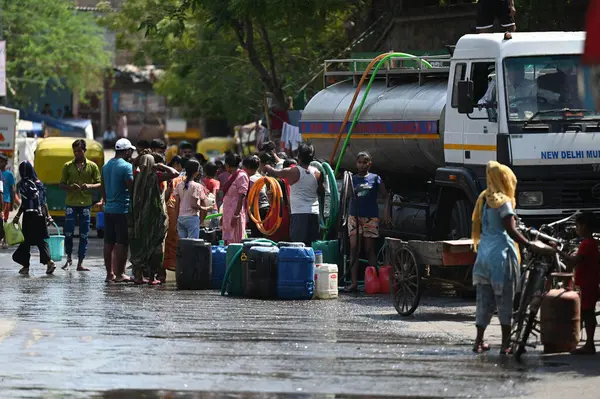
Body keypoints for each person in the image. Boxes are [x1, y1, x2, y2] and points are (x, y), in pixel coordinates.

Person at [471, 160, 547, 354]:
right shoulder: (503, 201)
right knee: (505, 301)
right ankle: (506, 344)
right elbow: (511, 230)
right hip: (501, 258)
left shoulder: (483, 199)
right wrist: (529, 244)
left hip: (483, 258)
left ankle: (478, 342)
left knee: (484, 301)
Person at [263, 142, 324, 246]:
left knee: (297, 246)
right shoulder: (317, 172)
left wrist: (267, 166)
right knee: (311, 246)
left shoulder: (293, 171)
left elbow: (274, 173)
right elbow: (321, 192)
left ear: (298, 156)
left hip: (299, 214)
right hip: (314, 214)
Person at [345, 152, 390, 292]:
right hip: (354, 217)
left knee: (369, 249)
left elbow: (386, 196)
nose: (362, 165)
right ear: (356, 164)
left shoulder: (375, 178)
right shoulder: (352, 179)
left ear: (370, 163)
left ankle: (372, 282)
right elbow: (346, 196)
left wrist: (386, 213)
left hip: (371, 217)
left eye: (365, 162)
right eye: (359, 162)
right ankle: (353, 283)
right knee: (354, 249)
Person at [558, 212, 599, 355]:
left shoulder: (587, 244)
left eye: (577, 226)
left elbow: (574, 261)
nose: (576, 229)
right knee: (586, 312)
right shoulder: (590, 243)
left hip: (587, 285)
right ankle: (580, 342)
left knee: (587, 313)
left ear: (584, 226)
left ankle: (589, 344)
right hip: (589, 283)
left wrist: (557, 251)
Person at [129, 154, 174, 285]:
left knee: (140, 246)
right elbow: (174, 173)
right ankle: (151, 277)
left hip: (139, 219)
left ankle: (138, 276)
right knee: (155, 246)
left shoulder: (136, 177)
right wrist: (162, 166)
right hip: (154, 219)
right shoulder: (155, 177)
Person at [59, 139, 101, 271]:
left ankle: (80, 262)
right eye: (75, 151)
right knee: (68, 233)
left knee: (84, 234)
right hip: (71, 203)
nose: (76, 153)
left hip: (85, 204)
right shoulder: (67, 166)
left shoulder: (92, 166)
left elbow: (100, 183)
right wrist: (70, 187)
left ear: (84, 151)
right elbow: (61, 184)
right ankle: (69, 259)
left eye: (79, 151)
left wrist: (89, 186)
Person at [101, 138, 135, 283]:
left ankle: (110, 274)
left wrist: (107, 201)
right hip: (122, 209)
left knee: (109, 242)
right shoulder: (126, 166)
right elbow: (131, 187)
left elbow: (102, 188)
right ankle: (120, 273)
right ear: (127, 151)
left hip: (108, 209)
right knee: (122, 242)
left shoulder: (106, 166)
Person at [12, 162, 55, 275]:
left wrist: (17, 216)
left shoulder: (23, 184)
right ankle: (49, 262)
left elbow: (25, 203)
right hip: (40, 217)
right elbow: (43, 202)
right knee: (41, 240)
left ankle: (25, 266)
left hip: (29, 216)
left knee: (26, 241)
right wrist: (48, 216)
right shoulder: (39, 183)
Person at [174, 159, 208, 239]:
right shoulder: (197, 186)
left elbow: (177, 204)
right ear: (196, 173)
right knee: (192, 244)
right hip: (192, 217)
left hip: (181, 218)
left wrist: (176, 220)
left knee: (183, 244)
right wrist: (200, 221)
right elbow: (203, 204)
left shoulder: (179, 185)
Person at [163, 158, 185, 274]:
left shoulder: (171, 177)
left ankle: (169, 264)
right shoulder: (178, 178)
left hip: (171, 207)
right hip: (176, 208)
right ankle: (173, 264)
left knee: (171, 237)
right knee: (174, 236)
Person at [221, 153, 249, 245]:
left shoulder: (242, 176)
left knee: (236, 241)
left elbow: (242, 196)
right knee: (227, 241)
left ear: (227, 165)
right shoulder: (231, 176)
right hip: (228, 214)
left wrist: (236, 215)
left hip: (235, 215)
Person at [243, 155, 270, 238]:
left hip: (257, 211)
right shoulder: (262, 178)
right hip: (266, 208)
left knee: (256, 236)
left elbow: (245, 196)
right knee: (264, 234)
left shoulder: (250, 180)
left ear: (246, 167)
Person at [0, 154, 16, 249]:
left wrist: (13, 203)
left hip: (5, 200)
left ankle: (5, 239)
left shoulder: (9, 175)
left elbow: (12, 189)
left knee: (4, 221)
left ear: (6, 163)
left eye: (2, 161)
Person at [202, 162, 220, 227]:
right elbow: (214, 194)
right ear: (216, 171)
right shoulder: (216, 182)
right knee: (214, 231)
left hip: (203, 208)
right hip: (213, 208)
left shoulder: (201, 181)